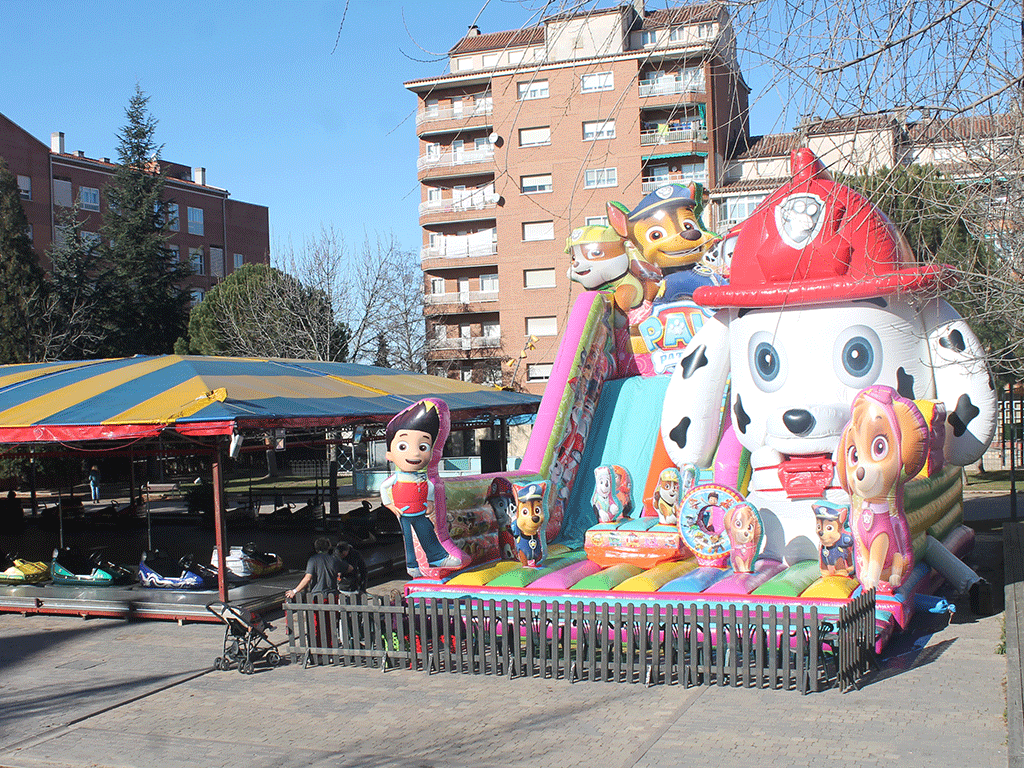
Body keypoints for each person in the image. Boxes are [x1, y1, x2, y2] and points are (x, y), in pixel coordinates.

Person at [380, 400, 462, 578]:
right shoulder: (398, 477)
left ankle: (437, 558)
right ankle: (412, 566)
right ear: (389, 455)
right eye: (403, 447)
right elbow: (384, 487)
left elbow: (430, 486)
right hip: (404, 511)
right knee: (408, 540)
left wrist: (430, 501)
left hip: (419, 511)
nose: (416, 454)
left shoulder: (423, 477)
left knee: (427, 531)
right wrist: (389, 505)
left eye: (423, 447)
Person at [286, 537, 348, 647]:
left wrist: (294, 591)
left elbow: (307, 578)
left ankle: (319, 651)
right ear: (328, 547)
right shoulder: (334, 559)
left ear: (316, 548)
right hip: (332, 595)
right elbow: (350, 568)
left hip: (317, 596)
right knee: (331, 624)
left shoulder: (313, 560)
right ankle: (331, 648)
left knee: (317, 625)